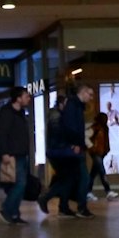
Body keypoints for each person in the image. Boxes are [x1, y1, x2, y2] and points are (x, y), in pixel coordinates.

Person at [37, 83, 94, 219]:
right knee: (77, 178)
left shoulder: (74, 107)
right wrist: (76, 143)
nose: (91, 98)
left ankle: (63, 206)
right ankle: (77, 206)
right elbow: (70, 128)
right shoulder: (72, 107)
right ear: (83, 92)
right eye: (90, 94)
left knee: (70, 178)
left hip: (67, 149)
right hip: (68, 150)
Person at [0, 87, 34, 225]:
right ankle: (6, 209)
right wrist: (4, 153)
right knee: (20, 184)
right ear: (18, 98)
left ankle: (15, 214)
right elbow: (2, 134)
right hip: (12, 154)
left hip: (21, 153)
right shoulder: (7, 113)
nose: (28, 99)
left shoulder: (20, 112)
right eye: (26, 96)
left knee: (19, 184)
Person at [86, 109, 116, 200]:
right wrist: (91, 147)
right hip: (96, 153)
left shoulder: (104, 128)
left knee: (93, 173)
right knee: (102, 171)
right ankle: (108, 190)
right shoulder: (96, 128)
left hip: (101, 153)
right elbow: (86, 136)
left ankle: (88, 191)